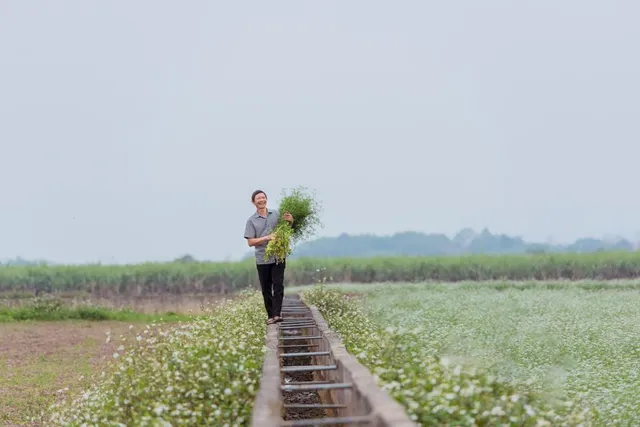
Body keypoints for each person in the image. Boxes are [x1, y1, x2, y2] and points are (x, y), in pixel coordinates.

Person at [244, 189, 293, 325]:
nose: (261, 200)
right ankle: (270, 315)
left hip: (278, 256)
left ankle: (277, 314)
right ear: (254, 202)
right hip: (262, 259)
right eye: (258, 198)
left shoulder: (276, 214)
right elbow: (250, 242)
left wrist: (290, 221)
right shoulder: (251, 221)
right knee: (266, 288)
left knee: (278, 285)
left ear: (266, 199)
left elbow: (285, 229)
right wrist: (267, 238)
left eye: (263, 197)